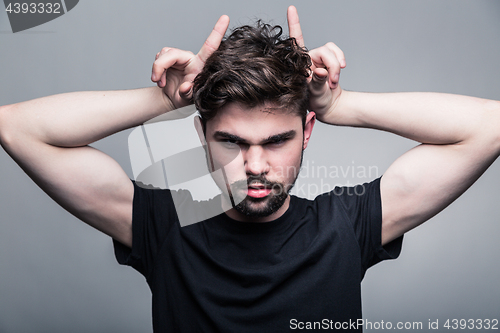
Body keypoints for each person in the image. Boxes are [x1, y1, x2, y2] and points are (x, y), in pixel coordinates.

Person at [0, 5, 498, 332]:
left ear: (306, 132)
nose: (255, 166)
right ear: (201, 135)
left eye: (277, 140)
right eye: (231, 142)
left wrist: (342, 105)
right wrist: (162, 100)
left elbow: (490, 126)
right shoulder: (161, 223)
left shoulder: (348, 224)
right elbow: (17, 127)